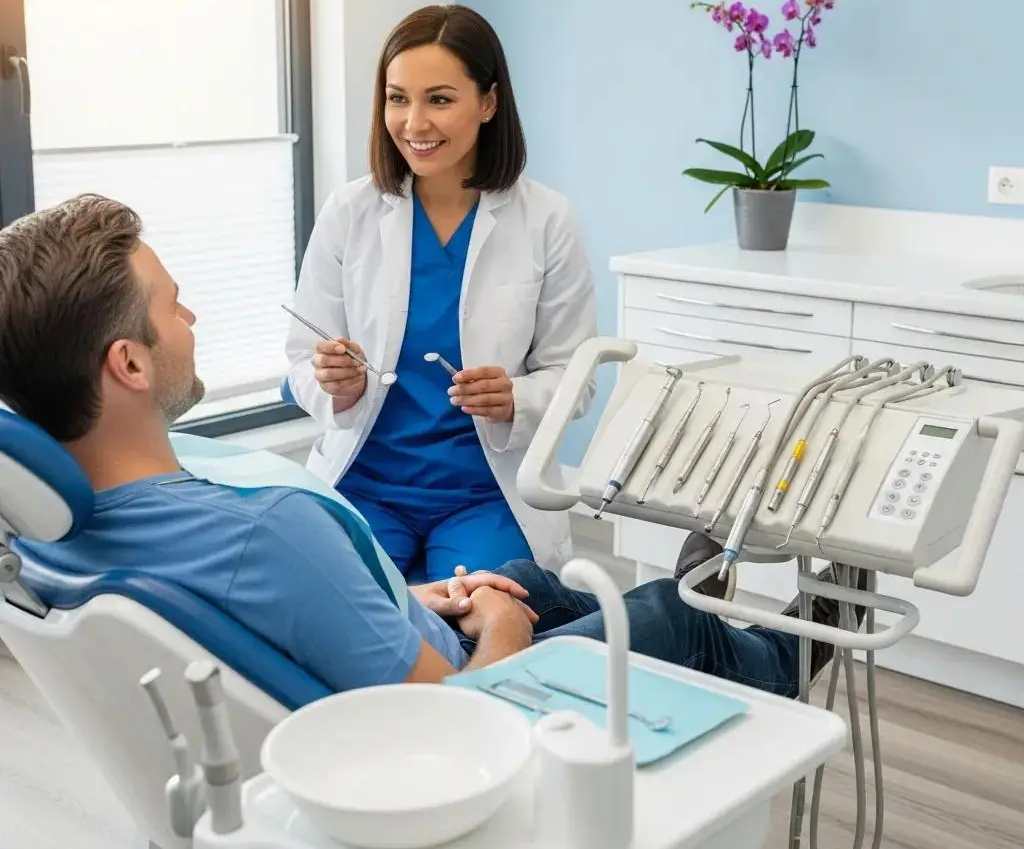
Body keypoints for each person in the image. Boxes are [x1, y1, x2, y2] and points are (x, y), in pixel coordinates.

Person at [0, 195, 859, 699]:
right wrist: (499, 626)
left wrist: (420, 599)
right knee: (667, 615)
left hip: (409, 626)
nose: (192, 317)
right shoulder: (273, 531)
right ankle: (781, 656)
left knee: (525, 581)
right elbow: (453, 717)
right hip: (459, 711)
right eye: (173, 304)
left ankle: (698, 621)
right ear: (129, 363)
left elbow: (282, 606)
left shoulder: (55, 535)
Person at [284, 4, 598, 582]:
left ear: (489, 102)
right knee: (336, 604)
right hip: (364, 483)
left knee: (481, 609)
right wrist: (334, 381)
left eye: (439, 99)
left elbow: (572, 376)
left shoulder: (547, 219)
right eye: (397, 98)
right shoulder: (349, 212)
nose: (414, 123)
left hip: (486, 493)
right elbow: (303, 360)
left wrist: (515, 397)